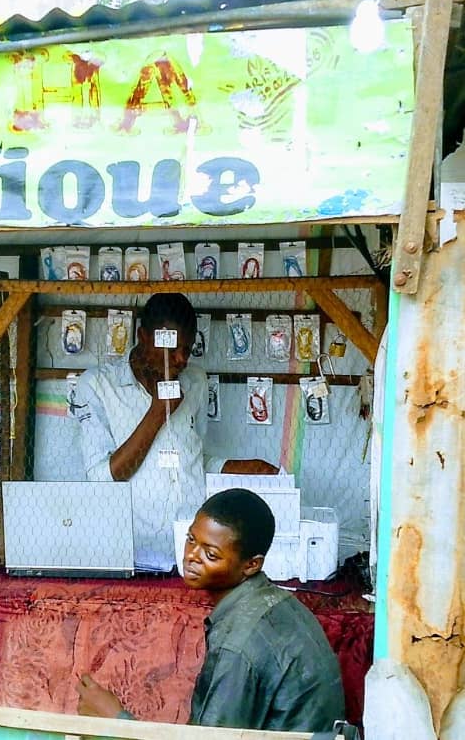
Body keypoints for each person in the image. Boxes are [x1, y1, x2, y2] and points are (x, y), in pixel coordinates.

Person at [76, 488, 345, 731]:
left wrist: (117, 722)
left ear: (251, 565)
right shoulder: (279, 602)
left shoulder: (238, 644)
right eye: (191, 539)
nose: (192, 556)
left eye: (211, 554)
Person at [72, 292, 277, 571]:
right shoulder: (98, 385)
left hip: (192, 549)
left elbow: (190, 457)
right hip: (131, 551)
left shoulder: (195, 381)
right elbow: (103, 479)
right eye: (171, 349)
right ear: (143, 337)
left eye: (187, 349)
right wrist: (158, 411)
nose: (180, 359)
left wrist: (238, 467)